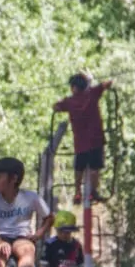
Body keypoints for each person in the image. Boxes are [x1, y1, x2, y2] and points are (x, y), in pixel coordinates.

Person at [53, 73, 113, 205]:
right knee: (94, 168)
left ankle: (77, 192)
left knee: (79, 168)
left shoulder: (69, 102)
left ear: (73, 87)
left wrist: (59, 104)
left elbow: (56, 107)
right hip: (96, 140)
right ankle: (93, 191)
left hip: (80, 143)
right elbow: (107, 84)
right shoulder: (92, 94)